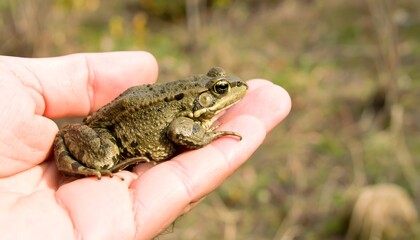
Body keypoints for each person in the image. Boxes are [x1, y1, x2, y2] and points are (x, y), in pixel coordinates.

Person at [0, 51, 291, 239]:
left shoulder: (192, 107)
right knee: (103, 158)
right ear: (204, 96)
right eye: (219, 90)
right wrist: (207, 136)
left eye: (221, 86)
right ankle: (79, 164)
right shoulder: (188, 115)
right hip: (109, 135)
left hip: (117, 120)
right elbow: (180, 130)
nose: (231, 89)